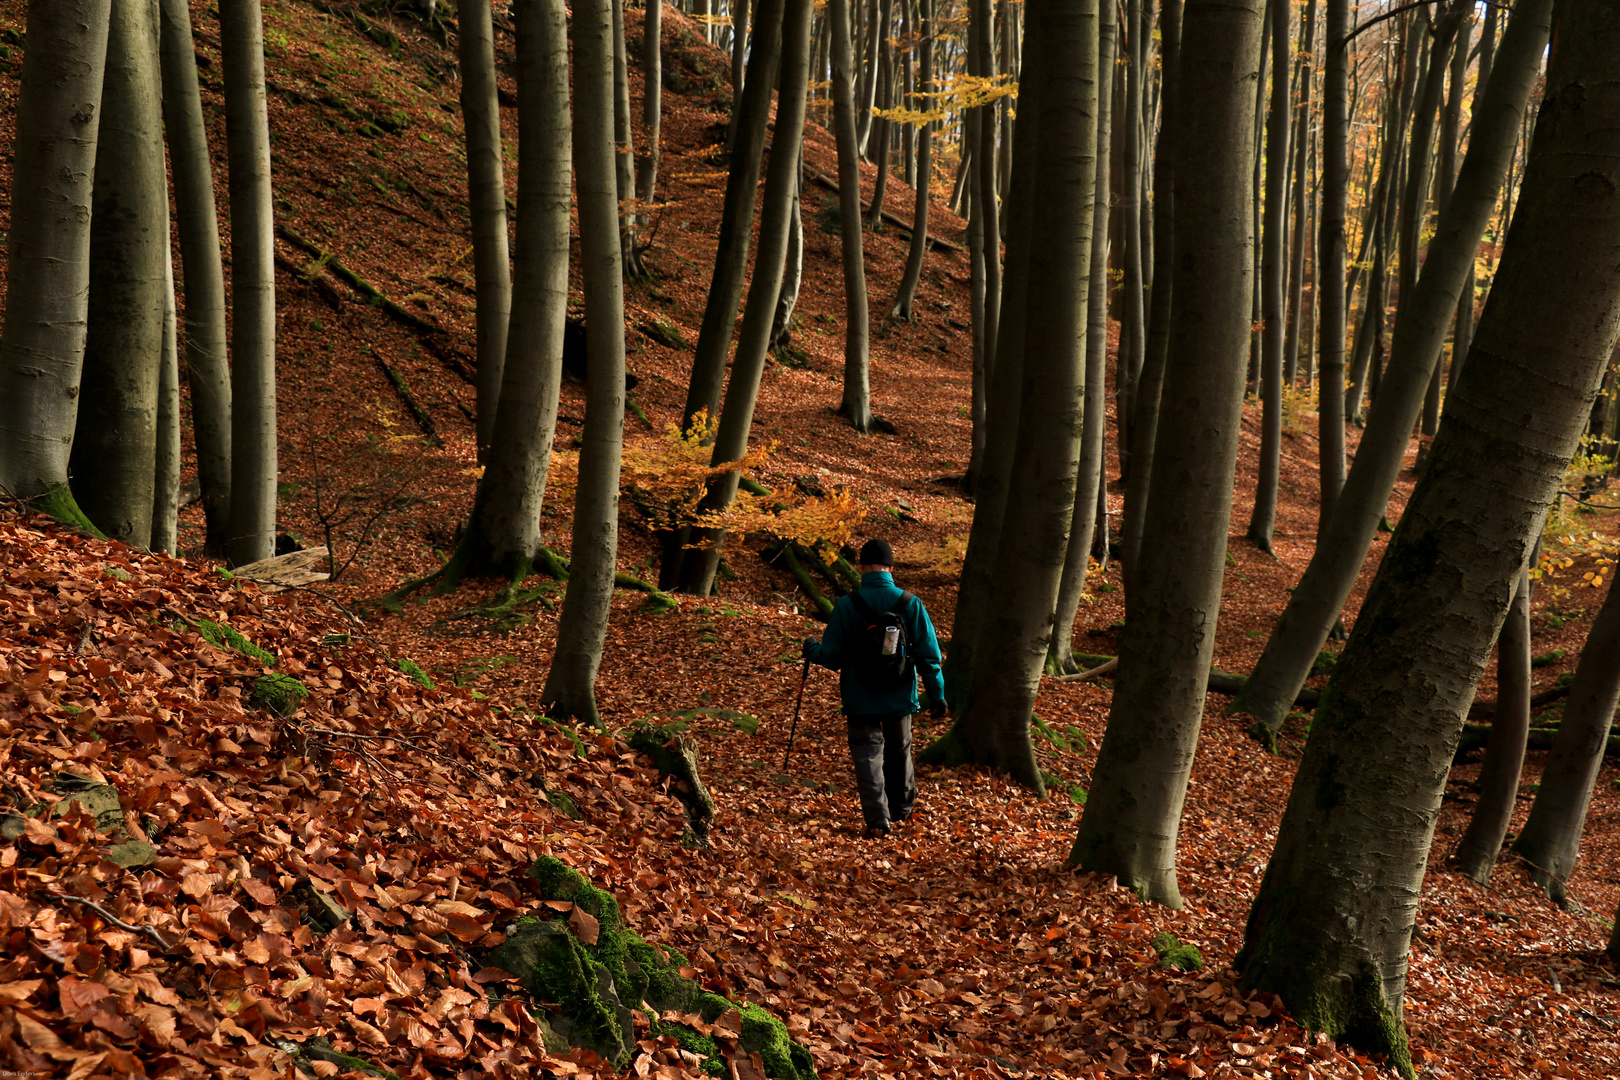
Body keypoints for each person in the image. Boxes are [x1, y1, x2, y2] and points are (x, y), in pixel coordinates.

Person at [803, 539, 947, 839]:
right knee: (900, 752)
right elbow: (929, 656)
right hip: (899, 696)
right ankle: (902, 812)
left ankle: (878, 819)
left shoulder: (847, 604)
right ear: (891, 568)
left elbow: (831, 657)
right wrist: (937, 696)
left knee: (867, 756)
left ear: (861, 568)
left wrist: (812, 649)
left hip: (860, 697)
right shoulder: (910, 603)